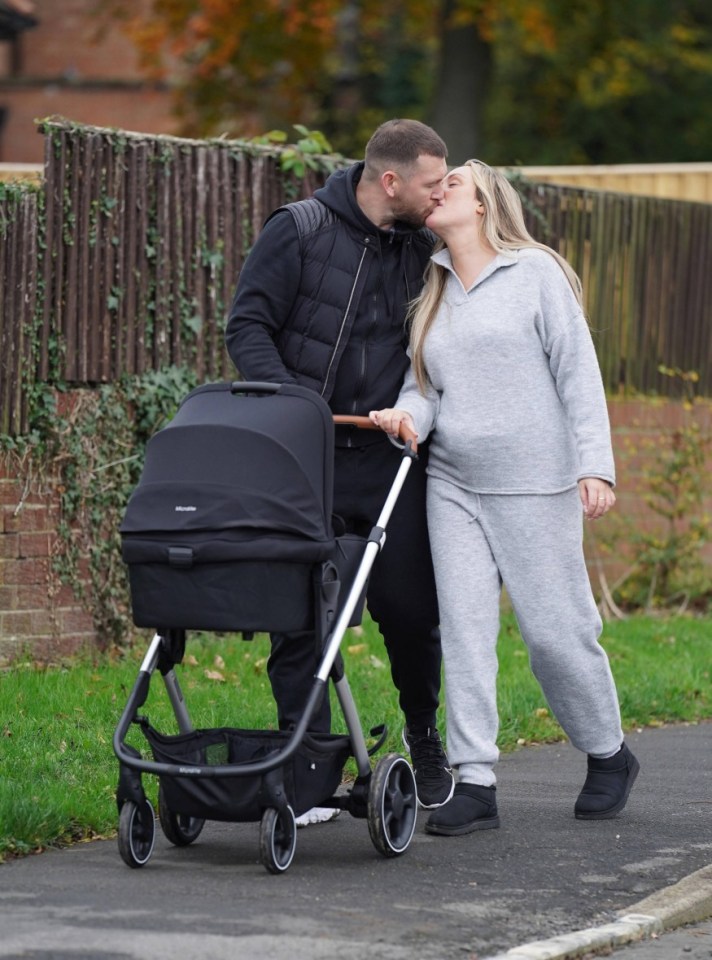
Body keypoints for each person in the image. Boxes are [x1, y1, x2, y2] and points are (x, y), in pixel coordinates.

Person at [370, 159, 639, 837]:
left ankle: (607, 751)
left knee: (556, 635)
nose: (439, 192)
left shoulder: (535, 275)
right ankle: (476, 780)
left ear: (485, 204)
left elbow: (578, 371)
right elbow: (423, 389)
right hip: (454, 485)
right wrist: (407, 420)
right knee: (463, 632)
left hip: (534, 483)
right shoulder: (432, 285)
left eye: (453, 184)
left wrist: (596, 467)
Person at [225, 119, 455, 820]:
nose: (441, 195)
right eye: (431, 184)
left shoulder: (427, 252)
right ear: (391, 182)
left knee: (413, 612)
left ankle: (424, 739)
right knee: (301, 614)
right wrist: (299, 410)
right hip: (307, 459)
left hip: (391, 463)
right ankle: (310, 761)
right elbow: (247, 328)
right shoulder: (298, 230)